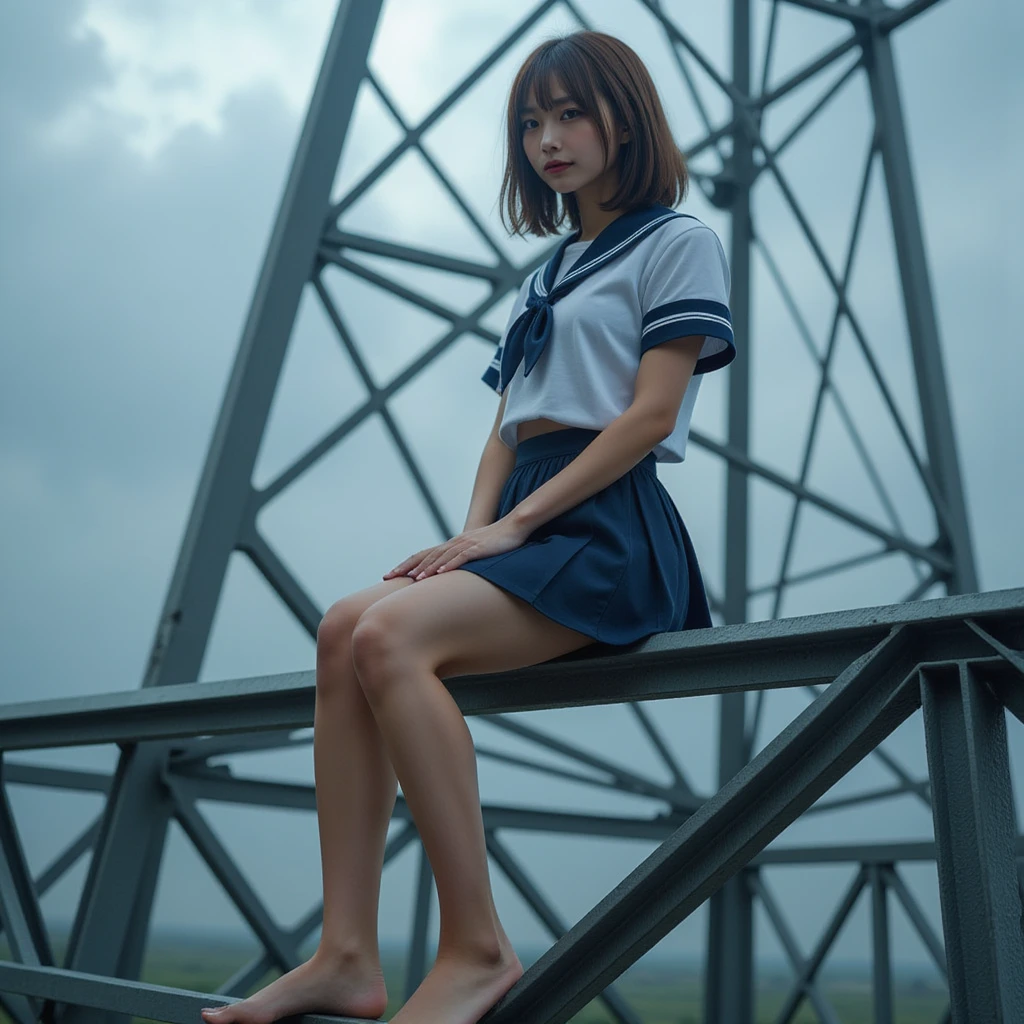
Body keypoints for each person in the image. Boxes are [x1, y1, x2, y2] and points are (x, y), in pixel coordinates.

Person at [199, 27, 734, 1024]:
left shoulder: (679, 241)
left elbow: (650, 416)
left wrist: (512, 528)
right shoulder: (548, 270)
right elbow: (506, 432)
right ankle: (346, 952)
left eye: (571, 112)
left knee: (391, 635)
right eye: (531, 122)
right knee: (341, 628)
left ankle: (477, 948)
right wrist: (471, 535)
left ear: (626, 115)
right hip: (527, 520)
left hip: (608, 529)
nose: (548, 139)